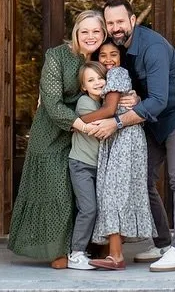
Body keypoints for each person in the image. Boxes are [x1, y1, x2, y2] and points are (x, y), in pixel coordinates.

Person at [89, 0, 175, 272]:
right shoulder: (117, 51)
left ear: (132, 21)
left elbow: (159, 101)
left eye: (120, 22)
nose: (115, 28)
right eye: (110, 23)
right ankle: (164, 244)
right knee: (142, 176)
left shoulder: (152, 46)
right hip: (152, 121)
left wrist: (116, 124)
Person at [7, 9, 109, 267]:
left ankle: (86, 248)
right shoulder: (57, 56)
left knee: (85, 194)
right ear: (76, 33)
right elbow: (52, 104)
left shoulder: (106, 58)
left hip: (88, 140)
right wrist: (83, 126)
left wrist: (130, 97)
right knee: (57, 190)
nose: (90, 36)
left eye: (96, 31)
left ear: (104, 33)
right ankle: (57, 251)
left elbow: (119, 89)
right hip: (53, 134)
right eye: (84, 31)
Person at [86, 40, 156, 270]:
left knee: (113, 193)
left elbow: (108, 110)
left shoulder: (117, 73)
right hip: (122, 138)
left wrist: (71, 121)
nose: (108, 59)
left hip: (125, 138)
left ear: (121, 57)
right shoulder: (108, 78)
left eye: (113, 54)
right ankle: (113, 251)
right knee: (118, 191)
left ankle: (116, 256)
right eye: (102, 55)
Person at [66, 60, 107, 271]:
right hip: (81, 164)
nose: (97, 82)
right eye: (91, 80)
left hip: (99, 166)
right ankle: (76, 253)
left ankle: (91, 249)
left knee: (97, 208)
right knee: (88, 208)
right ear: (84, 87)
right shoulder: (85, 103)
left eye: (100, 77)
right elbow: (98, 127)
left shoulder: (104, 102)